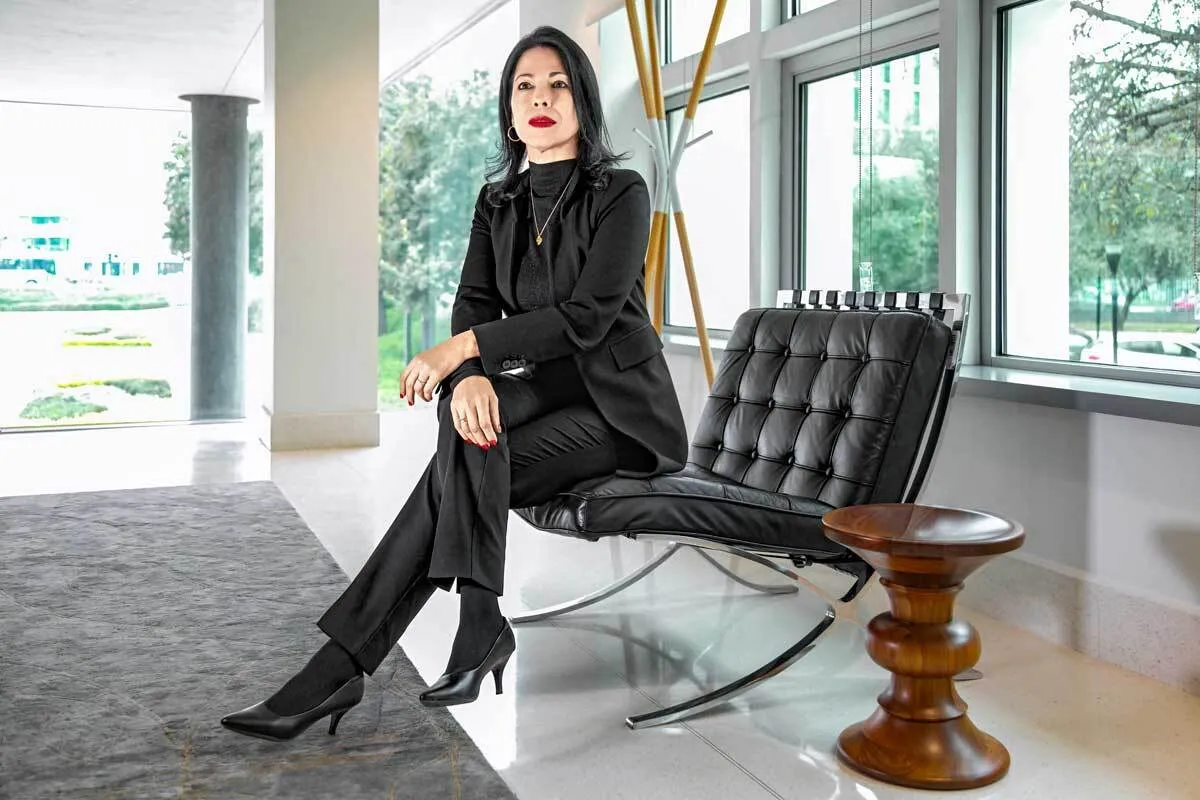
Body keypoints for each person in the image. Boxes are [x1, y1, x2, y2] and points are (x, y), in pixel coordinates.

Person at [220, 24, 689, 742]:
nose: (540, 98)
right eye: (524, 86)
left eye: (557, 85)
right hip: (537, 383)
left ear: (583, 103)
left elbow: (588, 318)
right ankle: (474, 626)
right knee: (467, 422)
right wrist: (468, 375)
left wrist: (464, 351)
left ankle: (348, 664)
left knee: (459, 461)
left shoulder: (621, 193)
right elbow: (473, 299)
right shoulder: (497, 201)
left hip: (616, 409)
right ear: (507, 108)